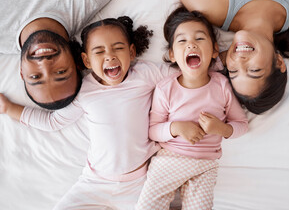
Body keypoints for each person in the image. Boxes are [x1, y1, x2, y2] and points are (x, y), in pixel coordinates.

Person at [0, 17, 176, 210]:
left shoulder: (145, 74)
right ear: (86, 60)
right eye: (99, 52)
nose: (109, 56)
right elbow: (52, 122)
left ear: (131, 51)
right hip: (94, 182)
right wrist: (9, 108)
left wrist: (215, 64)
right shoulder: (85, 92)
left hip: (140, 182)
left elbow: (185, 72)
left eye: (118, 48)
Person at [136, 6, 248, 210]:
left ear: (214, 50)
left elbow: (241, 124)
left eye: (199, 39)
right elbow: (153, 130)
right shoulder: (166, 88)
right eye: (182, 41)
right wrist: (176, 128)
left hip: (205, 166)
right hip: (170, 161)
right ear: (172, 55)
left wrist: (221, 129)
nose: (191, 45)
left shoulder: (221, 86)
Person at [0, 0, 120, 110]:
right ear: (77, 62)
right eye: (60, 72)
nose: (44, 64)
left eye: (35, 76)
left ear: (22, 72)